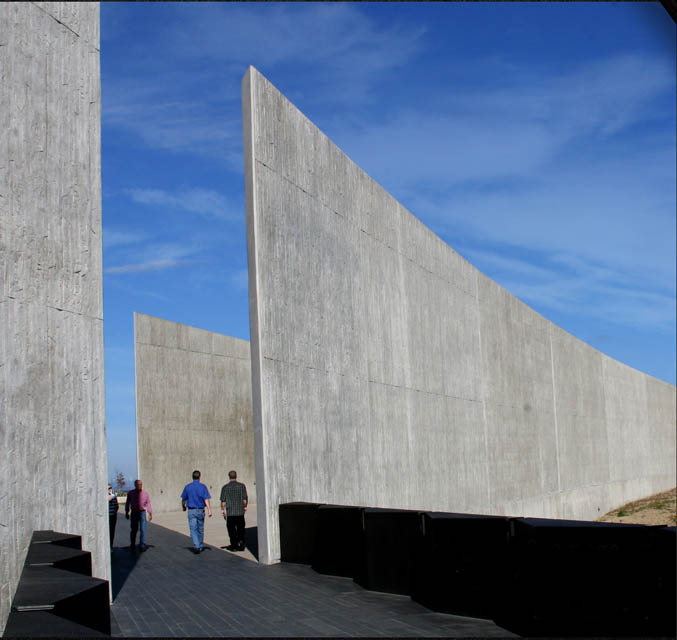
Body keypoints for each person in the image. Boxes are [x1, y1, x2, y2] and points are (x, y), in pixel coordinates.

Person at [181, 470, 212, 554]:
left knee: (193, 529)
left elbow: (183, 499)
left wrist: (183, 507)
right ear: (199, 477)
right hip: (200, 510)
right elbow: (206, 499)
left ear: (192, 477)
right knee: (200, 529)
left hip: (191, 510)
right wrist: (209, 509)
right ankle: (200, 545)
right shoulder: (203, 487)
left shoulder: (188, 487)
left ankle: (197, 545)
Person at [220, 470, 248, 551]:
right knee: (241, 528)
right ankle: (241, 541)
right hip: (239, 511)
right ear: (236, 476)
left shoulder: (225, 487)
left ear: (229, 476)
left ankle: (234, 545)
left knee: (231, 529)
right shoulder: (242, 486)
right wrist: (245, 507)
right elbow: (244, 500)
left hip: (230, 512)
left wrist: (223, 511)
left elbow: (223, 502)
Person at [125, 479, 152, 552]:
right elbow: (128, 503)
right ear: (135, 485)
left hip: (142, 513)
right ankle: (132, 544)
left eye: (141, 484)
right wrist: (127, 511)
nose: (140, 486)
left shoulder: (145, 493)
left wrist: (150, 513)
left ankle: (142, 545)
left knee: (143, 529)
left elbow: (148, 503)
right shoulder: (131, 493)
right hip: (134, 513)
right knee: (134, 530)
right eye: (138, 485)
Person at [108, 484, 119, 551]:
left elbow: (117, 506)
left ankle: (111, 546)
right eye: (109, 488)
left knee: (112, 531)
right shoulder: (111, 496)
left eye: (110, 488)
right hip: (108, 517)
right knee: (108, 532)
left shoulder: (113, 496)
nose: (110, 489)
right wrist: (112, 495)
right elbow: (109, 498)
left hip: (113, 516)